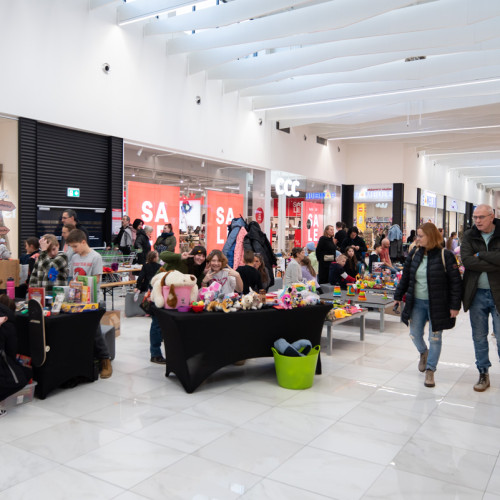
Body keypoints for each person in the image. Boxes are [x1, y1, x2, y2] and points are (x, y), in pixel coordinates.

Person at [394, 223, 462, 388]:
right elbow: (406, 277)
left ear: (430, 236)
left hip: (438, 304)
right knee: (414, 334)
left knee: (435, 338)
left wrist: (455, 306)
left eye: (420, 236)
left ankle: (430, 370)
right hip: (416, 302)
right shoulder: (414, 254)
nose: (417, 239)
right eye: (417, 235)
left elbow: (455, 283)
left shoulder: (446, 255)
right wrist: (397, 296)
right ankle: (423, 352)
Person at [460, 204, 500, 392]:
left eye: (481, 217)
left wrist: (481, 255)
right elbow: (467, 261)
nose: (477, 221)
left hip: (498, 292)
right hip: (476, 294)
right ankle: (483, 373)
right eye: (475, 217)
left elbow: (475, 260)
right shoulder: (469, 235)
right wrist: (494, 262)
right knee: (479, 336)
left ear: (492, 216)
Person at [66, 229, 112, 379]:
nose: (74, 249)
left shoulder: (96, 257)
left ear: (83, 242)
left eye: (75, 246)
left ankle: (105, 359)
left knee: (95, 330)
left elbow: (97, 279)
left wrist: (81, 283)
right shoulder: (74, 257)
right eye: (72, 247)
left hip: (92, 299)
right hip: (76, 298)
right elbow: (72, 277)